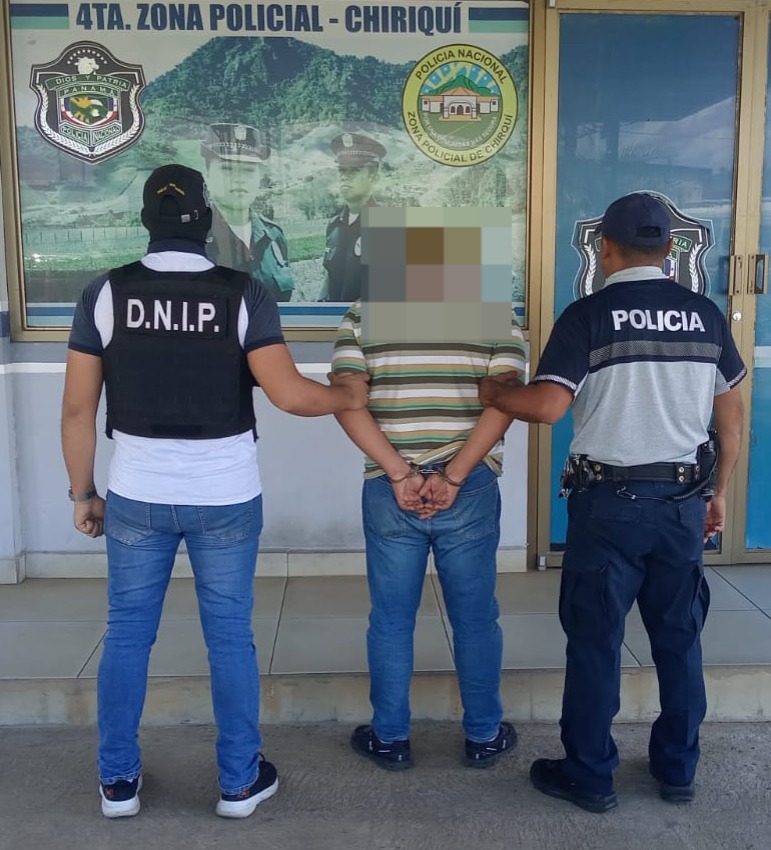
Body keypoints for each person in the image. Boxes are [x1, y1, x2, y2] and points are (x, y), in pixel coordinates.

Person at [61, 164, 368, 820]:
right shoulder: (243, 292)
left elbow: (77, 410)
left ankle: (117, 783)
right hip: (225, 497)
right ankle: (238, 782)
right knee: (229, 636)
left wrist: (83, 493)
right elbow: (289, 395)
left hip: (136, 495)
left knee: (126, 635)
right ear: (206, 221)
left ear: (145, 221)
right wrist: (347, 394)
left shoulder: (105, 293)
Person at [480, 192, 746, 812]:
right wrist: (719, 492)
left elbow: (548, 406)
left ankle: (590, 774)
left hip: (609, 507)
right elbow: (731, 417)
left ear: (605, 249)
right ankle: (677, 769)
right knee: (679, 638)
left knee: (596, 640)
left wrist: (496, 394)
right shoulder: (704, 315)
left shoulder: (589, 315)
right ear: (670, 248)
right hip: (683, 501)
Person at [330, 288, 526, 771]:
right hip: (470, 484)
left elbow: (347, 400)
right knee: (475, 618)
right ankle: (483, 736)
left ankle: (389, 738)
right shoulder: (493, 312)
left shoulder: (364, 312)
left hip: (390, 485)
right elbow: (505, 401)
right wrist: (454, 475)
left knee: (391, 618)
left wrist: (399, 472)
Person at [201, 122, 294, 303]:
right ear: (207, 175)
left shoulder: (273, 236)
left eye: (248, 170)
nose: (239, 179)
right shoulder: (195, 238)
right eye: (227, 169)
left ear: (259, 177)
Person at [318, 132, 386, 303]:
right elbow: (330, 276)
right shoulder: (334, 226)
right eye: (342, 170)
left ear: (374, 177)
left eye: (355, 170)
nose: (345, 176)